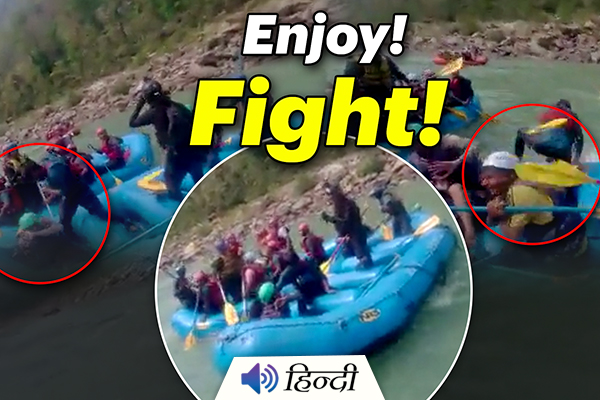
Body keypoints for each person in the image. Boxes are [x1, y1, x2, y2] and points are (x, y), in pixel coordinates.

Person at [480, 151, 587, 258]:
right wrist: (492, 215)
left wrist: (500, 218)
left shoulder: (521, 193)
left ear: (511, 175)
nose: (484, 183)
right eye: (483, 179)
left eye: (490, 177)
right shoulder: (502, 190)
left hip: (559, 240)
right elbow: (491, 222)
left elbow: (513, 237)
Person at [129, 79, 217, 200]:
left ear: (147, 98)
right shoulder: (176, 106)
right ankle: (211, 199)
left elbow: (132, 123)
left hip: (175, 154)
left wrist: (140, 104)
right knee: (199, 178)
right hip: (192, 149)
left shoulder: (153, 113)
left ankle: (188, 206)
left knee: (171, 183)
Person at [409, 134, 486, 247]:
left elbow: (475, 146)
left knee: (455, 189)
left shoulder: (449, 141)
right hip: (444, 183)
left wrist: (455, 163)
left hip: (462, 176)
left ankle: (469, 233)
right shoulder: (415, 156)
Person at [44, 161, 135, 237]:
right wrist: (50, 198)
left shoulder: (58, 173)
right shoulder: (52, 173)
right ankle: (72, 238)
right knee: (64, 221)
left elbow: (64, 191)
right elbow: (59, 189)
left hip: (82, 193)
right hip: (71, 196)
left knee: (102, 214)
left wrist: (49, 190)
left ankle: (125, 221)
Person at [514, 99, 584, 166]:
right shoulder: (572, 116)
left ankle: (518, 160)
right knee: (568, 136)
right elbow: (579, 139)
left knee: (521, 131)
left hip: (542, 147)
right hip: (563, 152)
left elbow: (540, 132)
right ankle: (558, 159)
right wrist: (576, 159)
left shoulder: (547, 113)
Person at [321, 181, 373, 267]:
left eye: (331, 196)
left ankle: (367, 264)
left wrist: (331, 219)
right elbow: (341, 222)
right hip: (349, 235)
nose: (331, 198)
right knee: (347, 252)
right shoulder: (340, 206)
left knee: (361, 253)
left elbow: (346, 221)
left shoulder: (348, 204)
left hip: (355, 234)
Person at [1, 142, 47, 214]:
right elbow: (12, 180)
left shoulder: (23, 159)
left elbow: (35, 166)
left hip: (33, 185)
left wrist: (34, 170)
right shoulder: (8, 165)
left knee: (39, 203)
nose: (16, 151)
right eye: (14, 150)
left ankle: (41, 216)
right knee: (31, 206)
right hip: (22, 189)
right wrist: (23, 173)